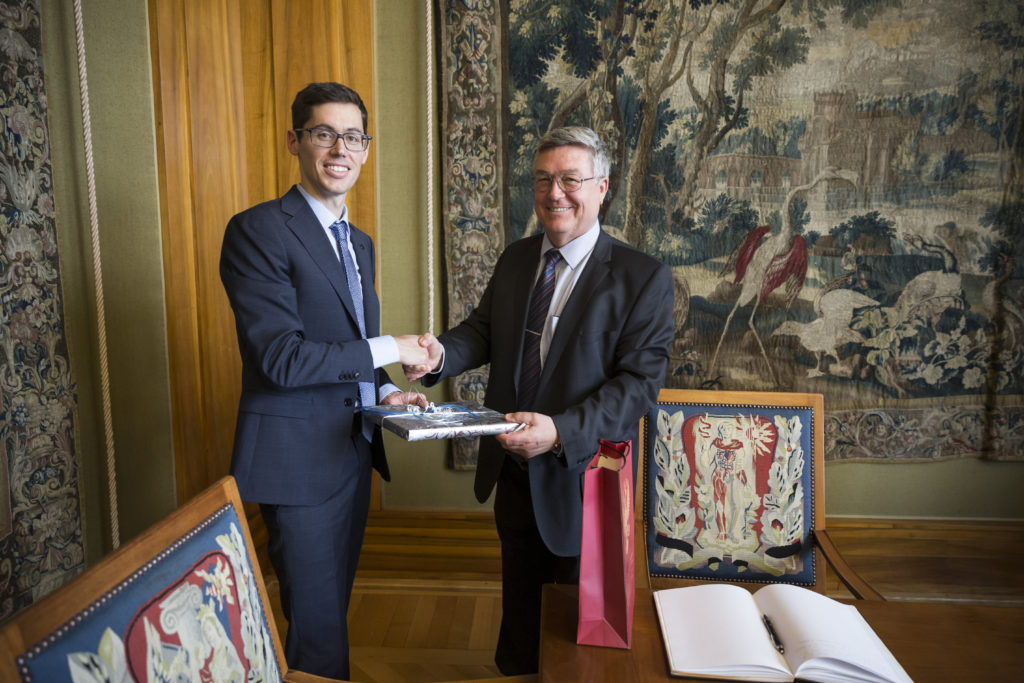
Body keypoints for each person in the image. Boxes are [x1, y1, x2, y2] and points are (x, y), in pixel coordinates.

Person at [406, 126, 675, 675]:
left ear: (603, 186)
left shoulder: (643, 278)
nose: (555, 193)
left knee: (580, 635)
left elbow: (636, 388)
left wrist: (559, 432)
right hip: (511, 471)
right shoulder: (516, 258)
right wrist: (438, 356)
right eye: (544, 180)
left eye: (570, 180)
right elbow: (481, 332)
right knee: (523, 619)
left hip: (584, 478)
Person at [220, 81, 429, 679]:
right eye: (323, 133)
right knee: (316, 636)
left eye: (353, 136)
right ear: (294, 141)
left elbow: (349, 339)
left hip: (352, 450)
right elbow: (281, 359)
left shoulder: (356, 241)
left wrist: (387, 390)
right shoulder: (258, 230)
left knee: (330, 614)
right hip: (296, 464)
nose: (340, 147)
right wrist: (395, 346)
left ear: (366, 149)